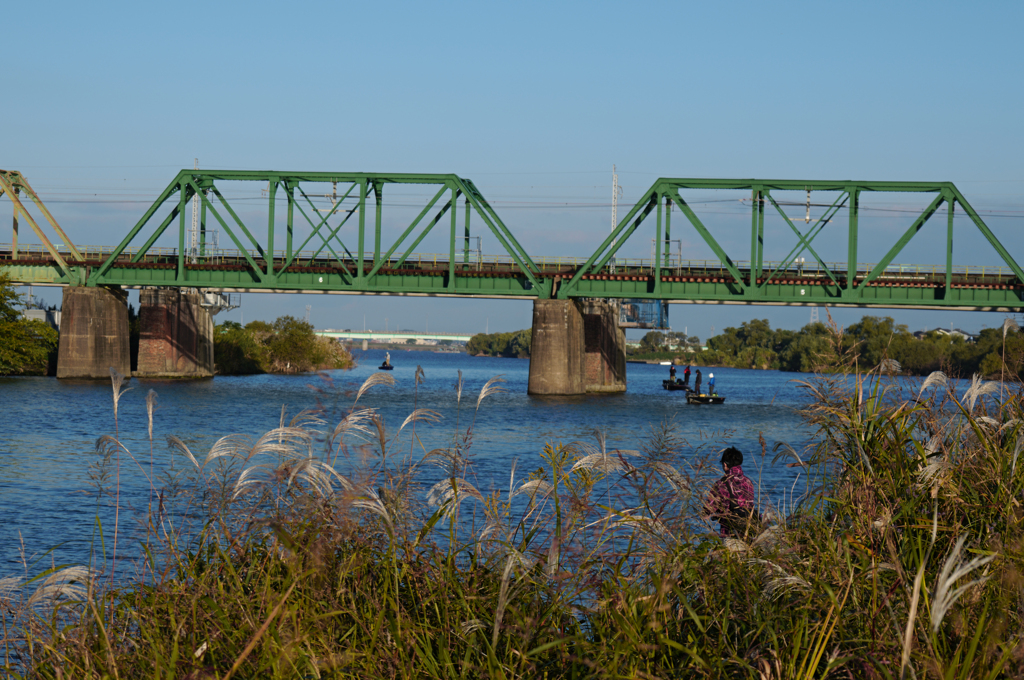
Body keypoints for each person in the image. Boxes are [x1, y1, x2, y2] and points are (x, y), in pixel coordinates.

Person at [704, 446, 755, 537]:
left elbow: (708, 509)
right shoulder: (748, 482)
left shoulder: (721, 484)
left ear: (725, 464)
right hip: (747, 532)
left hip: (729, 533)